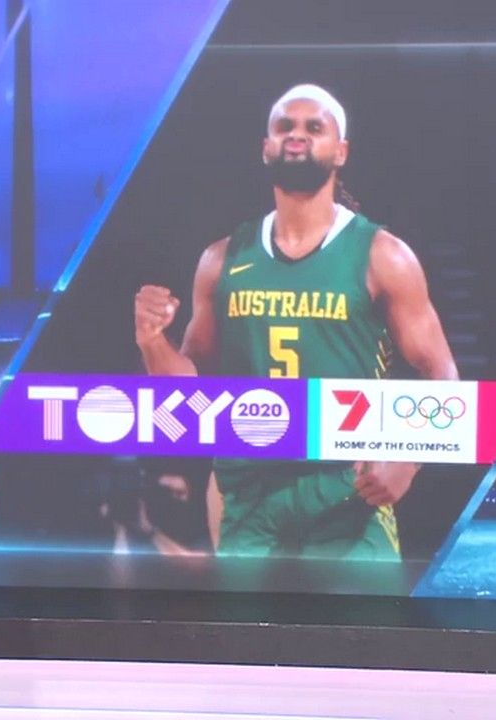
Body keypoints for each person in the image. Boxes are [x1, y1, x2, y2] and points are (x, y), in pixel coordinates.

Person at [134, 84, 457, 560]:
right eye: (284, 126)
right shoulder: (222, 259)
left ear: (340, 151)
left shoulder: (382, 255)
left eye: (314, 127)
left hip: (346, 493)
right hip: (248, 495)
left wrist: (409, 459)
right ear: (266, 148)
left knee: (364, 614)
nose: (297, 135)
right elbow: (186, 394)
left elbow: (443, 375)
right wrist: (151, 340)